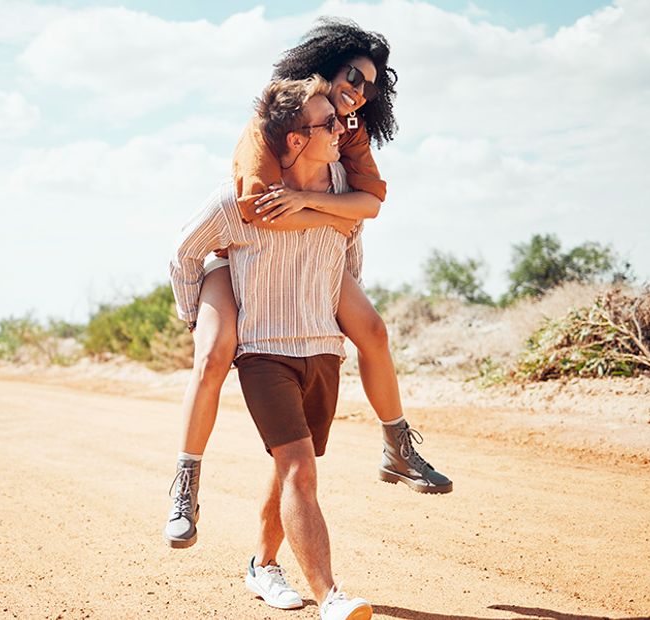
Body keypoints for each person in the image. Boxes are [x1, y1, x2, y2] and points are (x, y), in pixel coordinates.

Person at [164, 18, 451, 551]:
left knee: (373, 329)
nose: (358, 92)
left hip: (314, 254)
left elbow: (367, 205)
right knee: (213, 354)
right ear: (324, 64)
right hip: (237, 257)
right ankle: (186, 483)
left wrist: (321, 211)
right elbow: (258, 212)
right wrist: (328, 215)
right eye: (353, 76)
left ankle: (397, 444)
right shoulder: (269, 128)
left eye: (369, 85)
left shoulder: (349, 132)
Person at [171, 75, 375, 620]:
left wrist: (335, 315)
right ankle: (331, 596)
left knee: (290, 466)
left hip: (322, 350)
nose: (341, 126)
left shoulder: (339, 191)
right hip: (264, 353)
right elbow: (184, 254)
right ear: (293, 140)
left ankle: (263, 565)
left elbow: (351, 250)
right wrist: (199, 320)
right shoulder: (240, 199)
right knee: (299, 469)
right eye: (328, 122)